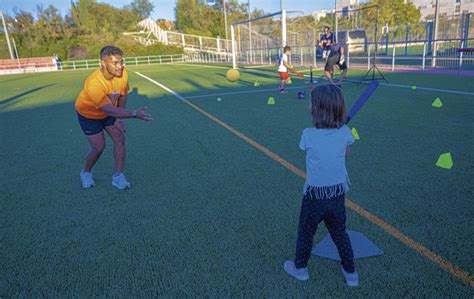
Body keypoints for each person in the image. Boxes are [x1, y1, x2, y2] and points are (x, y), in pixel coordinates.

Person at [284, 84, 359, 287]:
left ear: (316, 110)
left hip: (314, 196)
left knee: (306, 233)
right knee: (339, 233)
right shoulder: (345, 132)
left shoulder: (308, 134)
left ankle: (300, 268)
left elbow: (306, 149)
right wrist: (340, 134)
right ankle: (351, 273)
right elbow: (346, 153)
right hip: (336, 195)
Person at [75, 45, 153, 189]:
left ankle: (118, 176)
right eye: (115, 63)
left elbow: (122, 96)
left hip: (110, 112)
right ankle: (85, 172)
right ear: (103, 63)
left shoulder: (123, 74)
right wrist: (134, 113)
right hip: (89, 115)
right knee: (99, 147)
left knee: (120, 138)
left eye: (121, 62)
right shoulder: (94, 83)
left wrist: (120, 119)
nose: (120, 66)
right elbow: (109, 109)